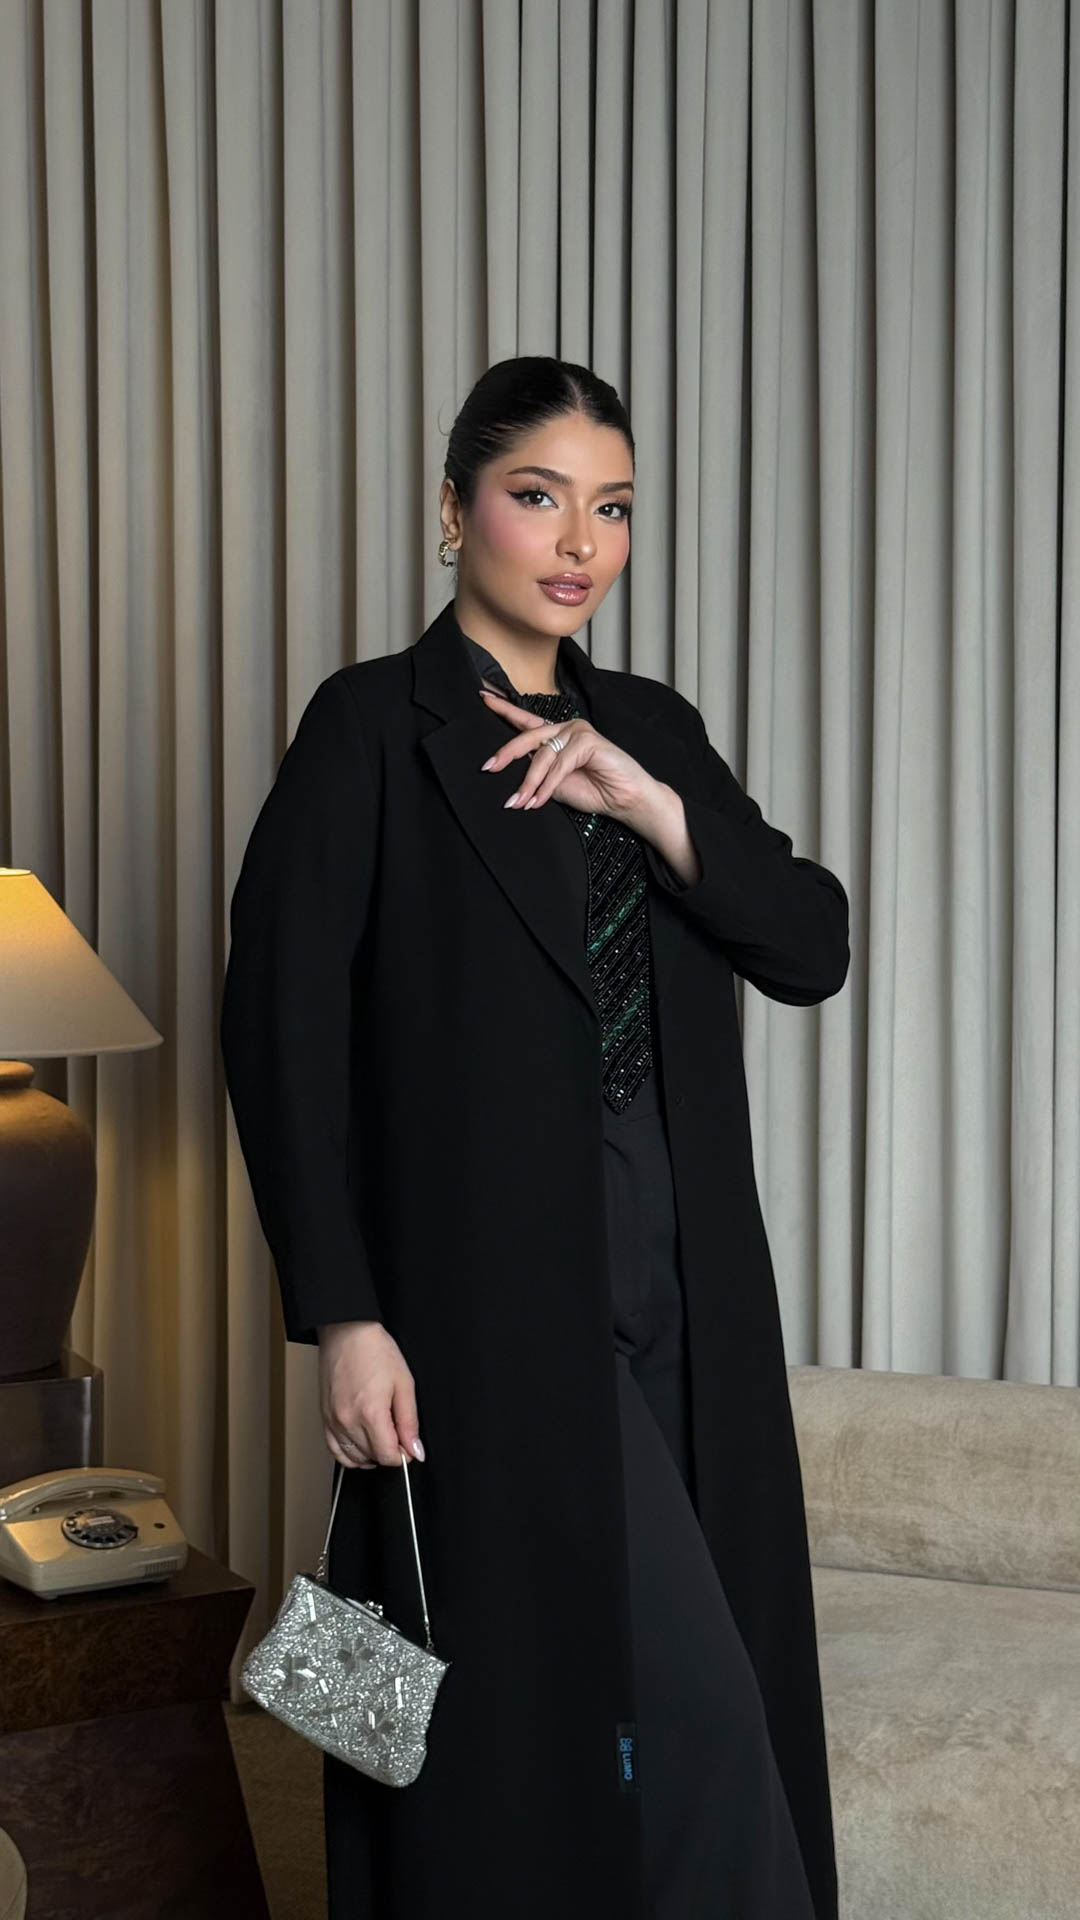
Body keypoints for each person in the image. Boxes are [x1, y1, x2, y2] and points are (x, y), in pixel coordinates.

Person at [220, 355, 848, 1919]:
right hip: (487, 1303)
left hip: (687, 1281)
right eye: (538, 496)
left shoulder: (653, 727)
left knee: (702, 1704)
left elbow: (810, 942)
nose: (580, 543)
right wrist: (345, 1317)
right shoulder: (372, 729)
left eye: (612, 508)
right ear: (455, 512)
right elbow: (280, 1037)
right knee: (580, 1731)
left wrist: (648, 804)